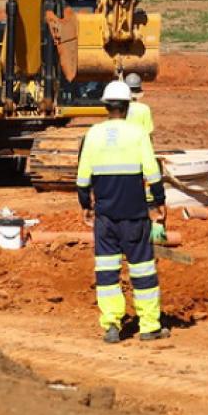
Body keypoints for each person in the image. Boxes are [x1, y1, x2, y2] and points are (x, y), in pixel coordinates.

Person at [76, 80, 169, 344]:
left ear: (106, 106)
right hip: (135, 215)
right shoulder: (138, 133)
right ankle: (149, 326)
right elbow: (152, 171)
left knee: (106, 273)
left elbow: (83, 177)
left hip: (105, 218)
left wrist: (86, 205)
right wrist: (158, 201)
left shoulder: (92, 134)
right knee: (143, 271)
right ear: (128, 106)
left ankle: (112, 326)